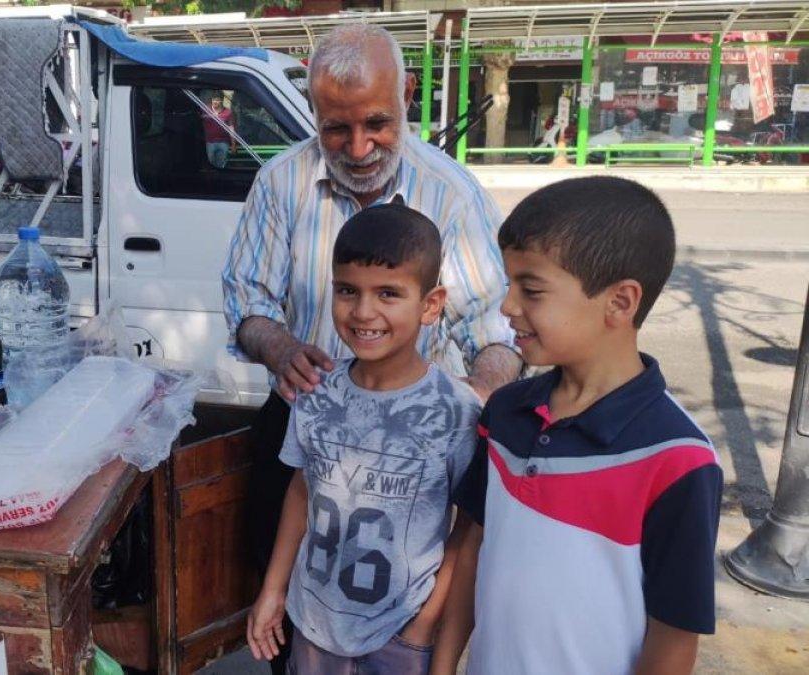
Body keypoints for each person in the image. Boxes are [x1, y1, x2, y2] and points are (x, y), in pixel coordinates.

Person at [221, 24, 520, 672]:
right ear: (313, 111)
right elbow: (246, 298)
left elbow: (497, 324)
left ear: (407, 95)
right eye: (336, 128)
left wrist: (480, 395)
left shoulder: (452, 193)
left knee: (400, 616)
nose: (358, 147)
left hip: (417, 448)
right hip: (310, 421)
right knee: (297, 614)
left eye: (377, 123)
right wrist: (277, 344)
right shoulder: (280, 184)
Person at [432, 176, 723, 675]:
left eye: (532, 290)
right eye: (508, 284)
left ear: (620, 302)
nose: (507, 307)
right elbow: (472, 550)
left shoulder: (677, 460)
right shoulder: (505, 415)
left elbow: (674, 636)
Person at [247, 202, 481, 674]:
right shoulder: (314, 392)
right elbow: (300, 489)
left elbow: (468, 531)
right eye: (348, 290)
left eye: (389, 293)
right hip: (313, 623)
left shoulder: (455, 411)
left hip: (400, 632)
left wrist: (425, 627)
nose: (363, 311)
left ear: (431, 304)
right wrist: (273, 591)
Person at [203, 92, 236, 168]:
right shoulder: (205, 110)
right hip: (209, 143)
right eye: (214, 100)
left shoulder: (228, 112)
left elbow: (231, 128)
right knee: (209, 165)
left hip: (223, 143)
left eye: (217, 100)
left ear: (222, 101)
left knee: (221, 165)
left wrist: (233, 144)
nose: (215, 102)